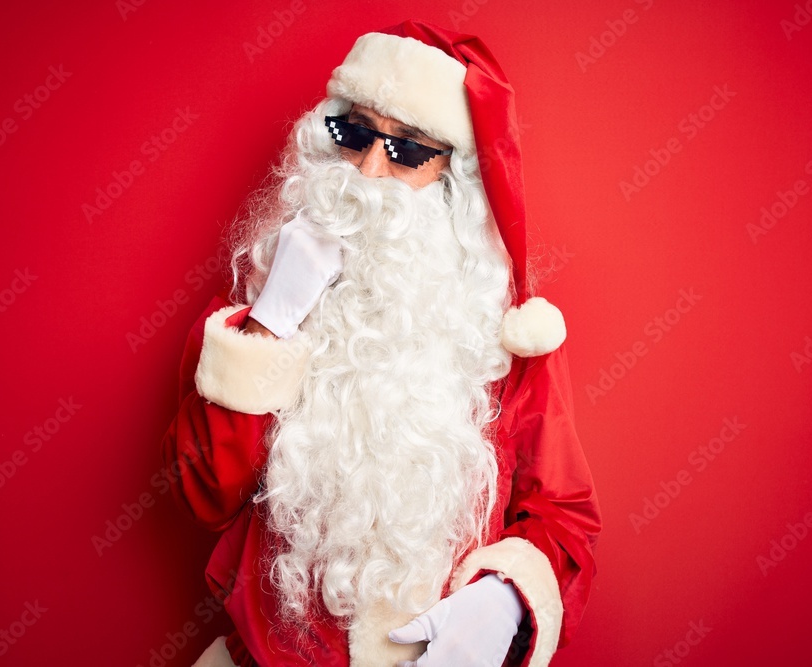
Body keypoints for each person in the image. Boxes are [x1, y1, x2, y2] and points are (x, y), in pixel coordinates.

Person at [162, 19, 601, 667]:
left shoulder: (503, 334)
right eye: (355, 133)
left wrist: (508, 597)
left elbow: (565, 518)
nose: (369, 171)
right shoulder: (259, 301)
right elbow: (205, 494)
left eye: (409, 149)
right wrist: (272, 322)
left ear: (457, 177)